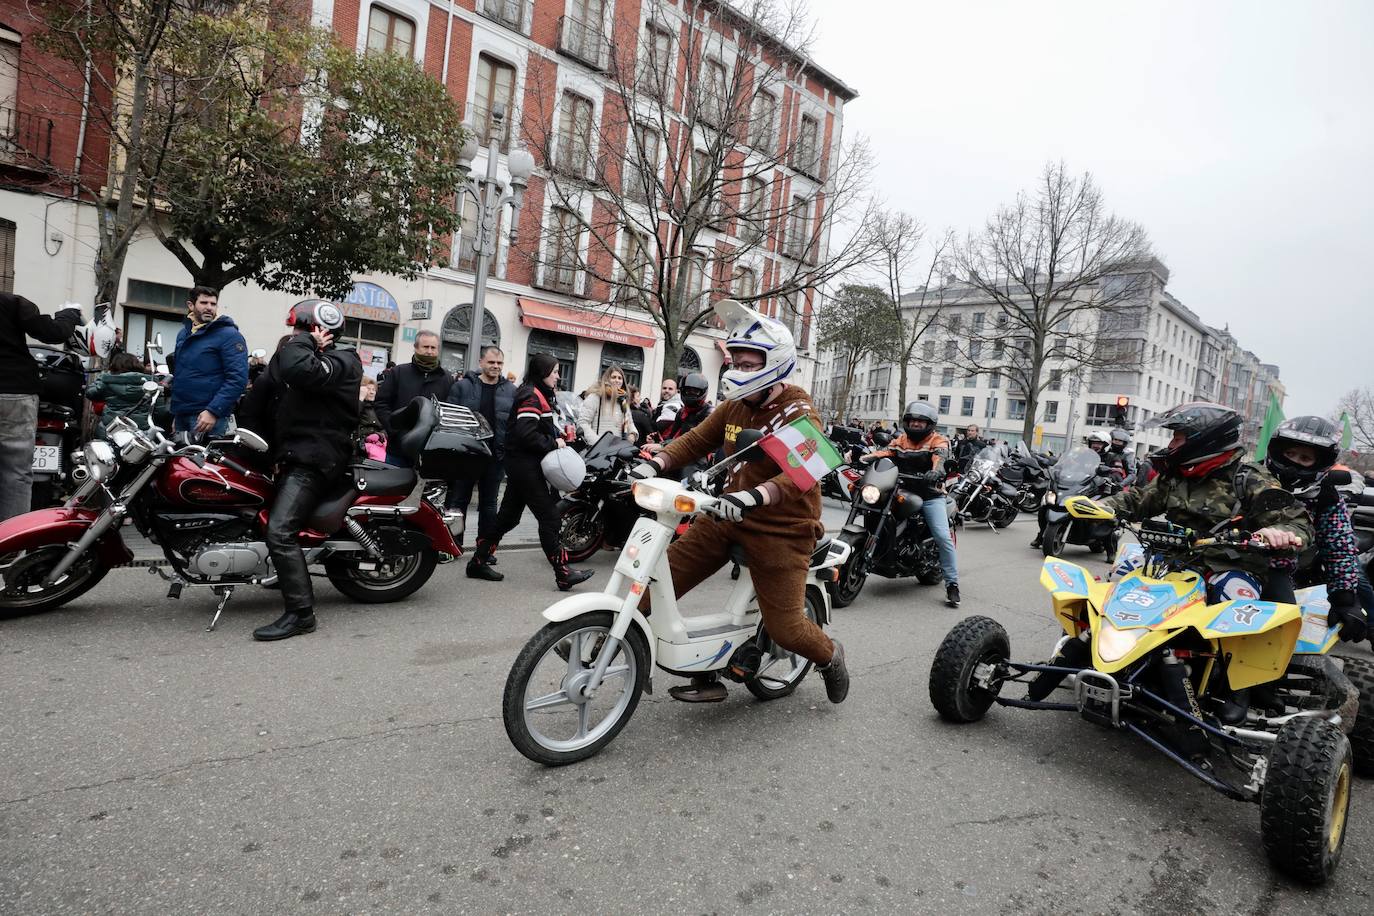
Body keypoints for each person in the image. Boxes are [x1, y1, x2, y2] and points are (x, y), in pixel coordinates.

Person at [629, 299, 850, 705]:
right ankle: (676, 659)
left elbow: (802, 472)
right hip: (725, 514)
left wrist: (754, 495)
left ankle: (829, 655)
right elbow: (696, 439)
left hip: (782, 529)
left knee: (787, 628)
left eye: (750, 365)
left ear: (776, 363)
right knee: (656, 581)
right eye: (737, 362)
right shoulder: (734, 405)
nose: (739, 371)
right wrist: (654, 463)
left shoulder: (797, 412)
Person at [1097, 402, 1312, 606]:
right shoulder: (1176, 476)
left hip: (1228, 567)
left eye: (1177, 439)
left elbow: (1298, 524)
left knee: (1235, 600)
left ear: (1204, 441)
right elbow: (1137, 500)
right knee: (1116, 585)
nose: (1171, 445)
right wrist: (1099, 507)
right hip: (1172, 560)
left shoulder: (1250, 479)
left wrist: (1279, 532)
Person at [238, 300, 362, 641]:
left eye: (299, 330)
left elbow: (300, 371)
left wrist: (305, 342)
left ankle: (301, 614)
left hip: (316, 457)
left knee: (279, 530)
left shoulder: (344, 360)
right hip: (290, 453)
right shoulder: (297, 355)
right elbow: (261, 394)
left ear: (322, 331)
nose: (292, 336)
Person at [465, 353, 593, 590]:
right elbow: (525, 434)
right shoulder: (531, 395)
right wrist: (554, 443)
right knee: (550, 516)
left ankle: (477, 561)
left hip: (522, 463)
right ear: (543, 372)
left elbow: (532, 430)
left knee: (509, 517)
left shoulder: (536, 393)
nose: (557, 376)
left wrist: (556, 436)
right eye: (554, 372)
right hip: (525, 465)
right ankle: (563, 573)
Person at [1263, 416, 1367, 641]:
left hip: (1277, 571)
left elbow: (1339, 547)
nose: (1294, 461)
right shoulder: (1247, 478)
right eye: (1290, 453)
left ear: (1320, 463)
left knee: (1281, 631)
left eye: (1305, 458)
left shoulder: (1326, 496)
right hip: (1224, 561)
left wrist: (1345, 599)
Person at [861, 401, 962, 607]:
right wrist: (866, 457)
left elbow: (940, 458)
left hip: (930, 495)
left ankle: (952, 584)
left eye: (920, 421)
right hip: (902, 489)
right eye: (912, 420)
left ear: (929, 424)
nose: (915, 424)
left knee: (942, 537)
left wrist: (936, 471)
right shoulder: (901, 440)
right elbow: (886, 452)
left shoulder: (938, 440)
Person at [0, 293, 83, 521]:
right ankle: (11, 547)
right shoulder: (11, 303)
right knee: (16, 472)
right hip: (15, 390)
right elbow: (53, 332)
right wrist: (69, 314)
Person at [445, 346, 516, 559]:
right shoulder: (462, 387)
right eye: (491, 362)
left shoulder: (511, 391)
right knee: (457, 503)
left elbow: (512, 425)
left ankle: (485, 550)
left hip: (495, 457)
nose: (495, 366)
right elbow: (449, 419)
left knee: (489, 505)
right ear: (481, 362)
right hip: (466, 455)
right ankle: (452, 547)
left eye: (499, 363)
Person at [170, 286, 248, 438]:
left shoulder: (229, 335)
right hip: (182, 414)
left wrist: (213, 411)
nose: (209, 308)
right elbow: (181, 374)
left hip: (207, 417)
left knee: (201, 461)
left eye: (213, 304)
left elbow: (238, 379)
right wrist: (178, 414)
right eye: (204, 303)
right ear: (190, 305)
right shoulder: (183, 334)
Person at [375, 330, 450, 466]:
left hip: (430, 452)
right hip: (398, 450)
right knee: (394, 486)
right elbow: (381, 403)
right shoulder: (398, 372)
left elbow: (448, 413)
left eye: (433, 348)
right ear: (416, 347)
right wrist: (395, 431)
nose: (429, 351)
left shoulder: (447, 379)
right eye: (425, 347)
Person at [86, 352, 153, 434]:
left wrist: (101, 379)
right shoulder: (149, 382)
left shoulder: (107, 380)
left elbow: (90, 393)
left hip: (111, 427)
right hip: (139, 428)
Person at [577, 364, 637, 444]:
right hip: (598, 450)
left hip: (617, 449)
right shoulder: (595, 397)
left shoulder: (623, 401)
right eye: (613, 377)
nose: (617, 380)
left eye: (620, 378)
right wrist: (598, 442)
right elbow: (583, 423)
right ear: (607, 379)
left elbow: (629, 422)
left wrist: (632, 434)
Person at [653, 372, 712, 443]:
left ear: (703, 392)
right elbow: (672, 436)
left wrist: (663, 446)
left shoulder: (709, 413)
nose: (691, 393)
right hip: (679, 450)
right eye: (687, 391)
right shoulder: (682, 412)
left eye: (695, 391)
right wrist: (657, 440)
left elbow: (695, 441)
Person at [357, 376, 387, 461]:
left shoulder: (378, 407)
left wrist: (379, 435)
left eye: (374, 390)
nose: (372, 392)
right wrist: (360, 400)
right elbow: (351, 418)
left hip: (377, 446)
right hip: (362, 449)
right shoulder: (358, 405)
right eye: (369, 389)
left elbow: (385, 427)